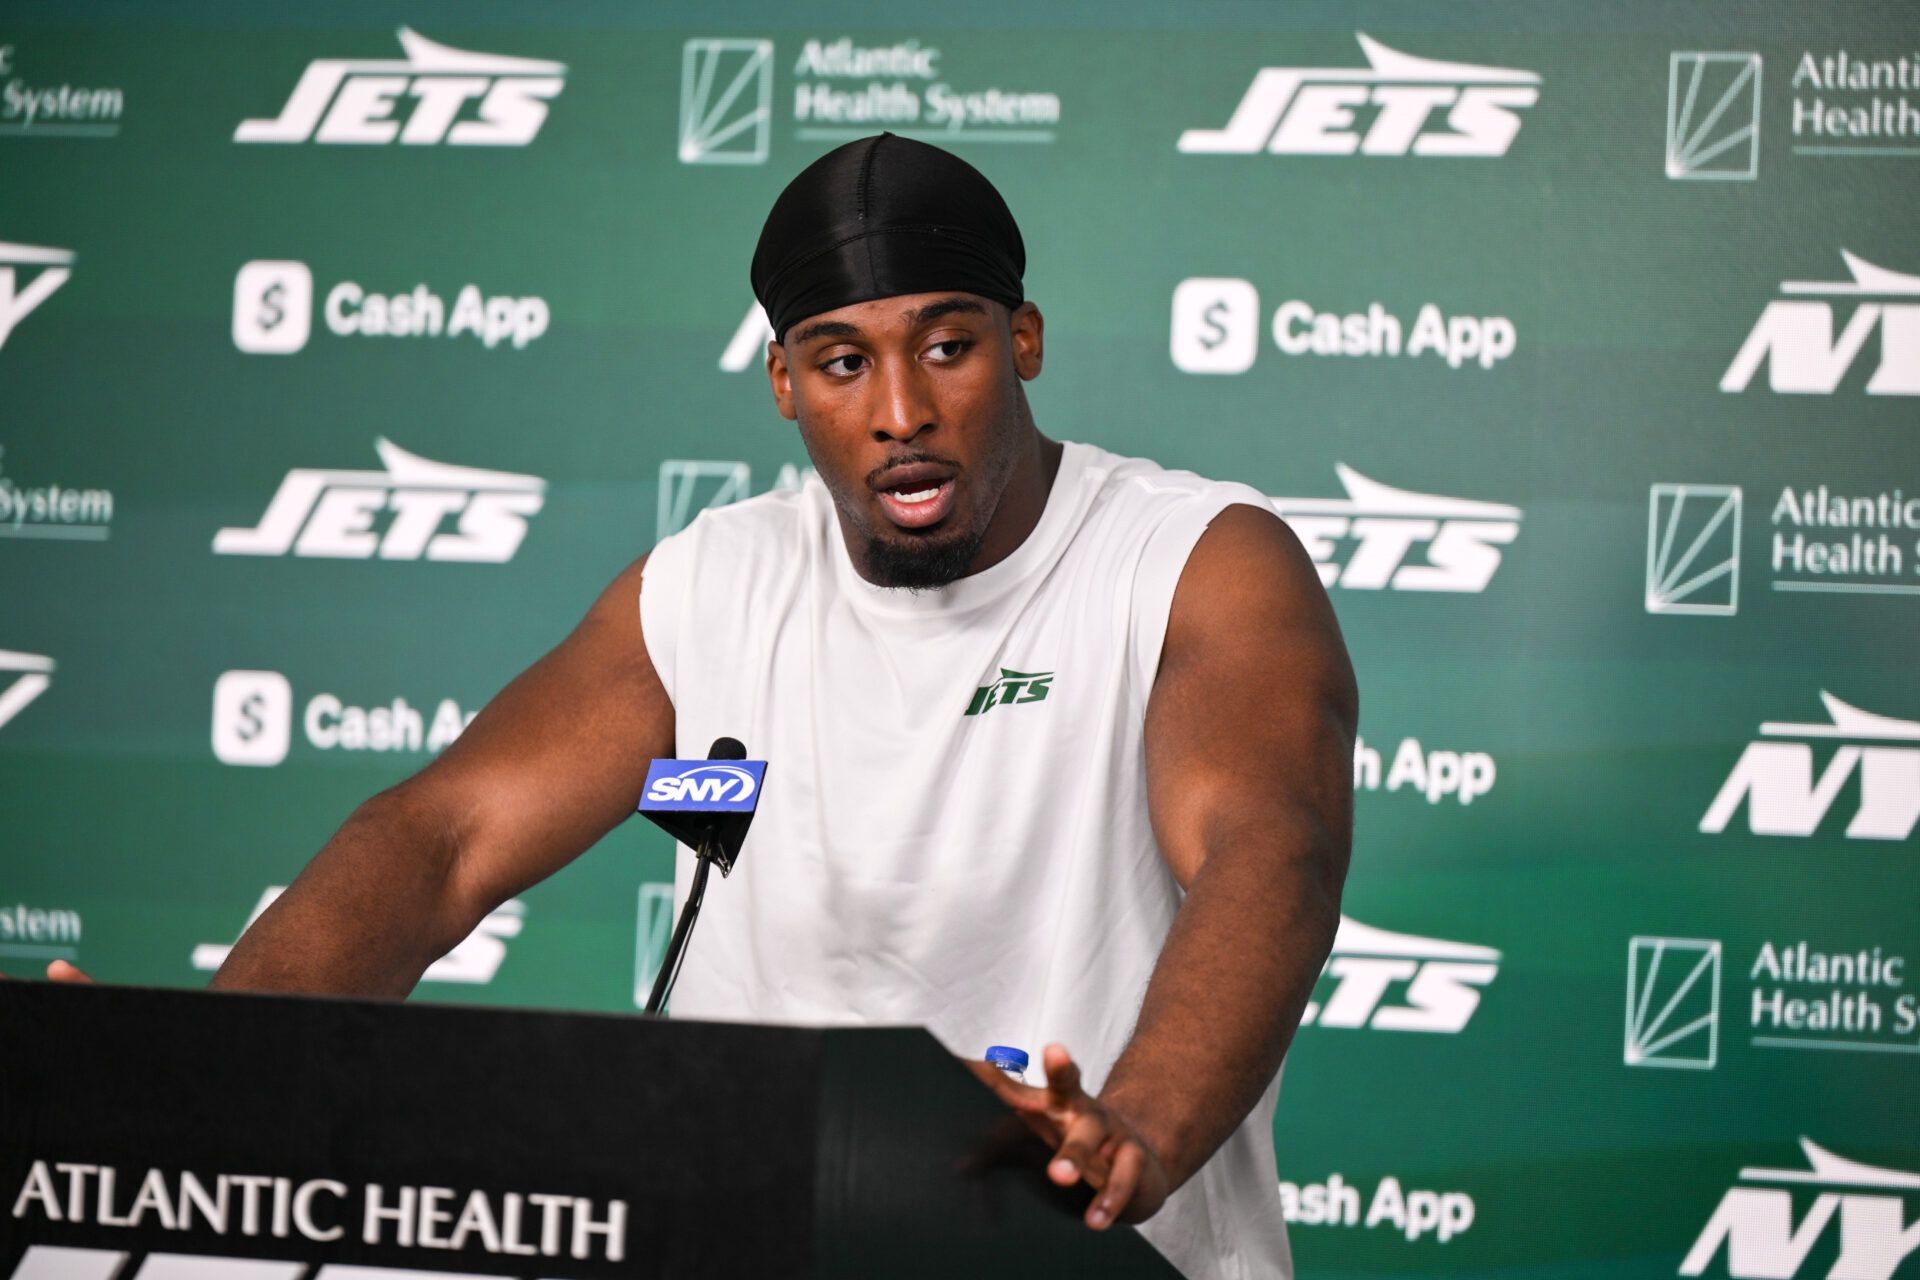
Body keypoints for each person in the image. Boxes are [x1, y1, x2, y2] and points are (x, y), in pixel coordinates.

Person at [47, 133, 1356, 1280]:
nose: (900, 412)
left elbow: (1267, 845)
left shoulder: (1191, 561)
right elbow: (441, 841)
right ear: (785, 382)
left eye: (946, 347)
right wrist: (199, 1080)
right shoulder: (711, 585)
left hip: (1091, 1250)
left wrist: (1140, 1124)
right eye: (842, 363)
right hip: (754, 1237)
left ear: (1025, 340)